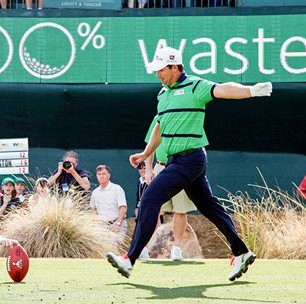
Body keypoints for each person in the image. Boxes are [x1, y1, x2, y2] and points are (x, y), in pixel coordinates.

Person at [106, 47, 272, 281]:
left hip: (190, 159)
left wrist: (251, 91)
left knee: (150, 199)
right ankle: (241, 251)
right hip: (179, 160)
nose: (157, 74)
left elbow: (223, 89)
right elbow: (160, 127)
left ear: (174, 67)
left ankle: (130, 259)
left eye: (161, 69)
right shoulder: (163, 94)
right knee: (209, 207)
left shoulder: (195, 86)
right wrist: (145, 154)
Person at [145, 117, 196, 261]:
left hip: (180, 168)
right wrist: (149, 169)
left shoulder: (186, 118)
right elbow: (150, 146)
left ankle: (176, 249)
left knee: (180, 210)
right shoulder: (158, 118)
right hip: (160, 167)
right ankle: (145, 246)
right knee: (153, 208)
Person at [90, 165, 128, 245]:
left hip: (117, 224)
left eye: (104, 174)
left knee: (111, 245)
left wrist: (118, 223)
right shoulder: (95, 192)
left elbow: (123, 208)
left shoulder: (117, 189)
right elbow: (93, 210)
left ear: (109, 175)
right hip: (102, 226)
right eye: (99, 174)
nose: (101, 176)